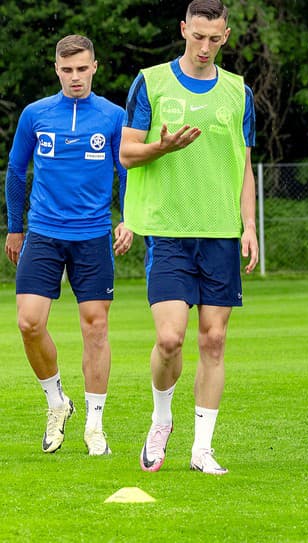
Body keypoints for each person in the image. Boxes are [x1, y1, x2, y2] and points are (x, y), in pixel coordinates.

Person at [119, 0, 258, 475]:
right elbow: (126, 154)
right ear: (183, 29)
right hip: (169, 231)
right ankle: (161, 420)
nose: (204, 47)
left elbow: (244, 167)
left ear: (226, 36)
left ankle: (202, 449)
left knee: (214, 340)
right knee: (170, 339)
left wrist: (250, 226)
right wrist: (162, 146)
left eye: (214, 38)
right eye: (197, 36)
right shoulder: (150, 81)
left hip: (220, 233)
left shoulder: (240, 91)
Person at [4, 35, 132, 456]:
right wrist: (15, 226)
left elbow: (128, 172)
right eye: (67, 70)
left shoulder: (114, 117)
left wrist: (129, 218)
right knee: (29, 323)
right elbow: (16, 169)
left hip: (93, 235)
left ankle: (95, 425)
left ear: (95, 66)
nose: (75, 77)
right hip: (42, 232)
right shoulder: (35, 114)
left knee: (95, 327)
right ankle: (57, 402)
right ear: (56, 70)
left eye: (82, 69)